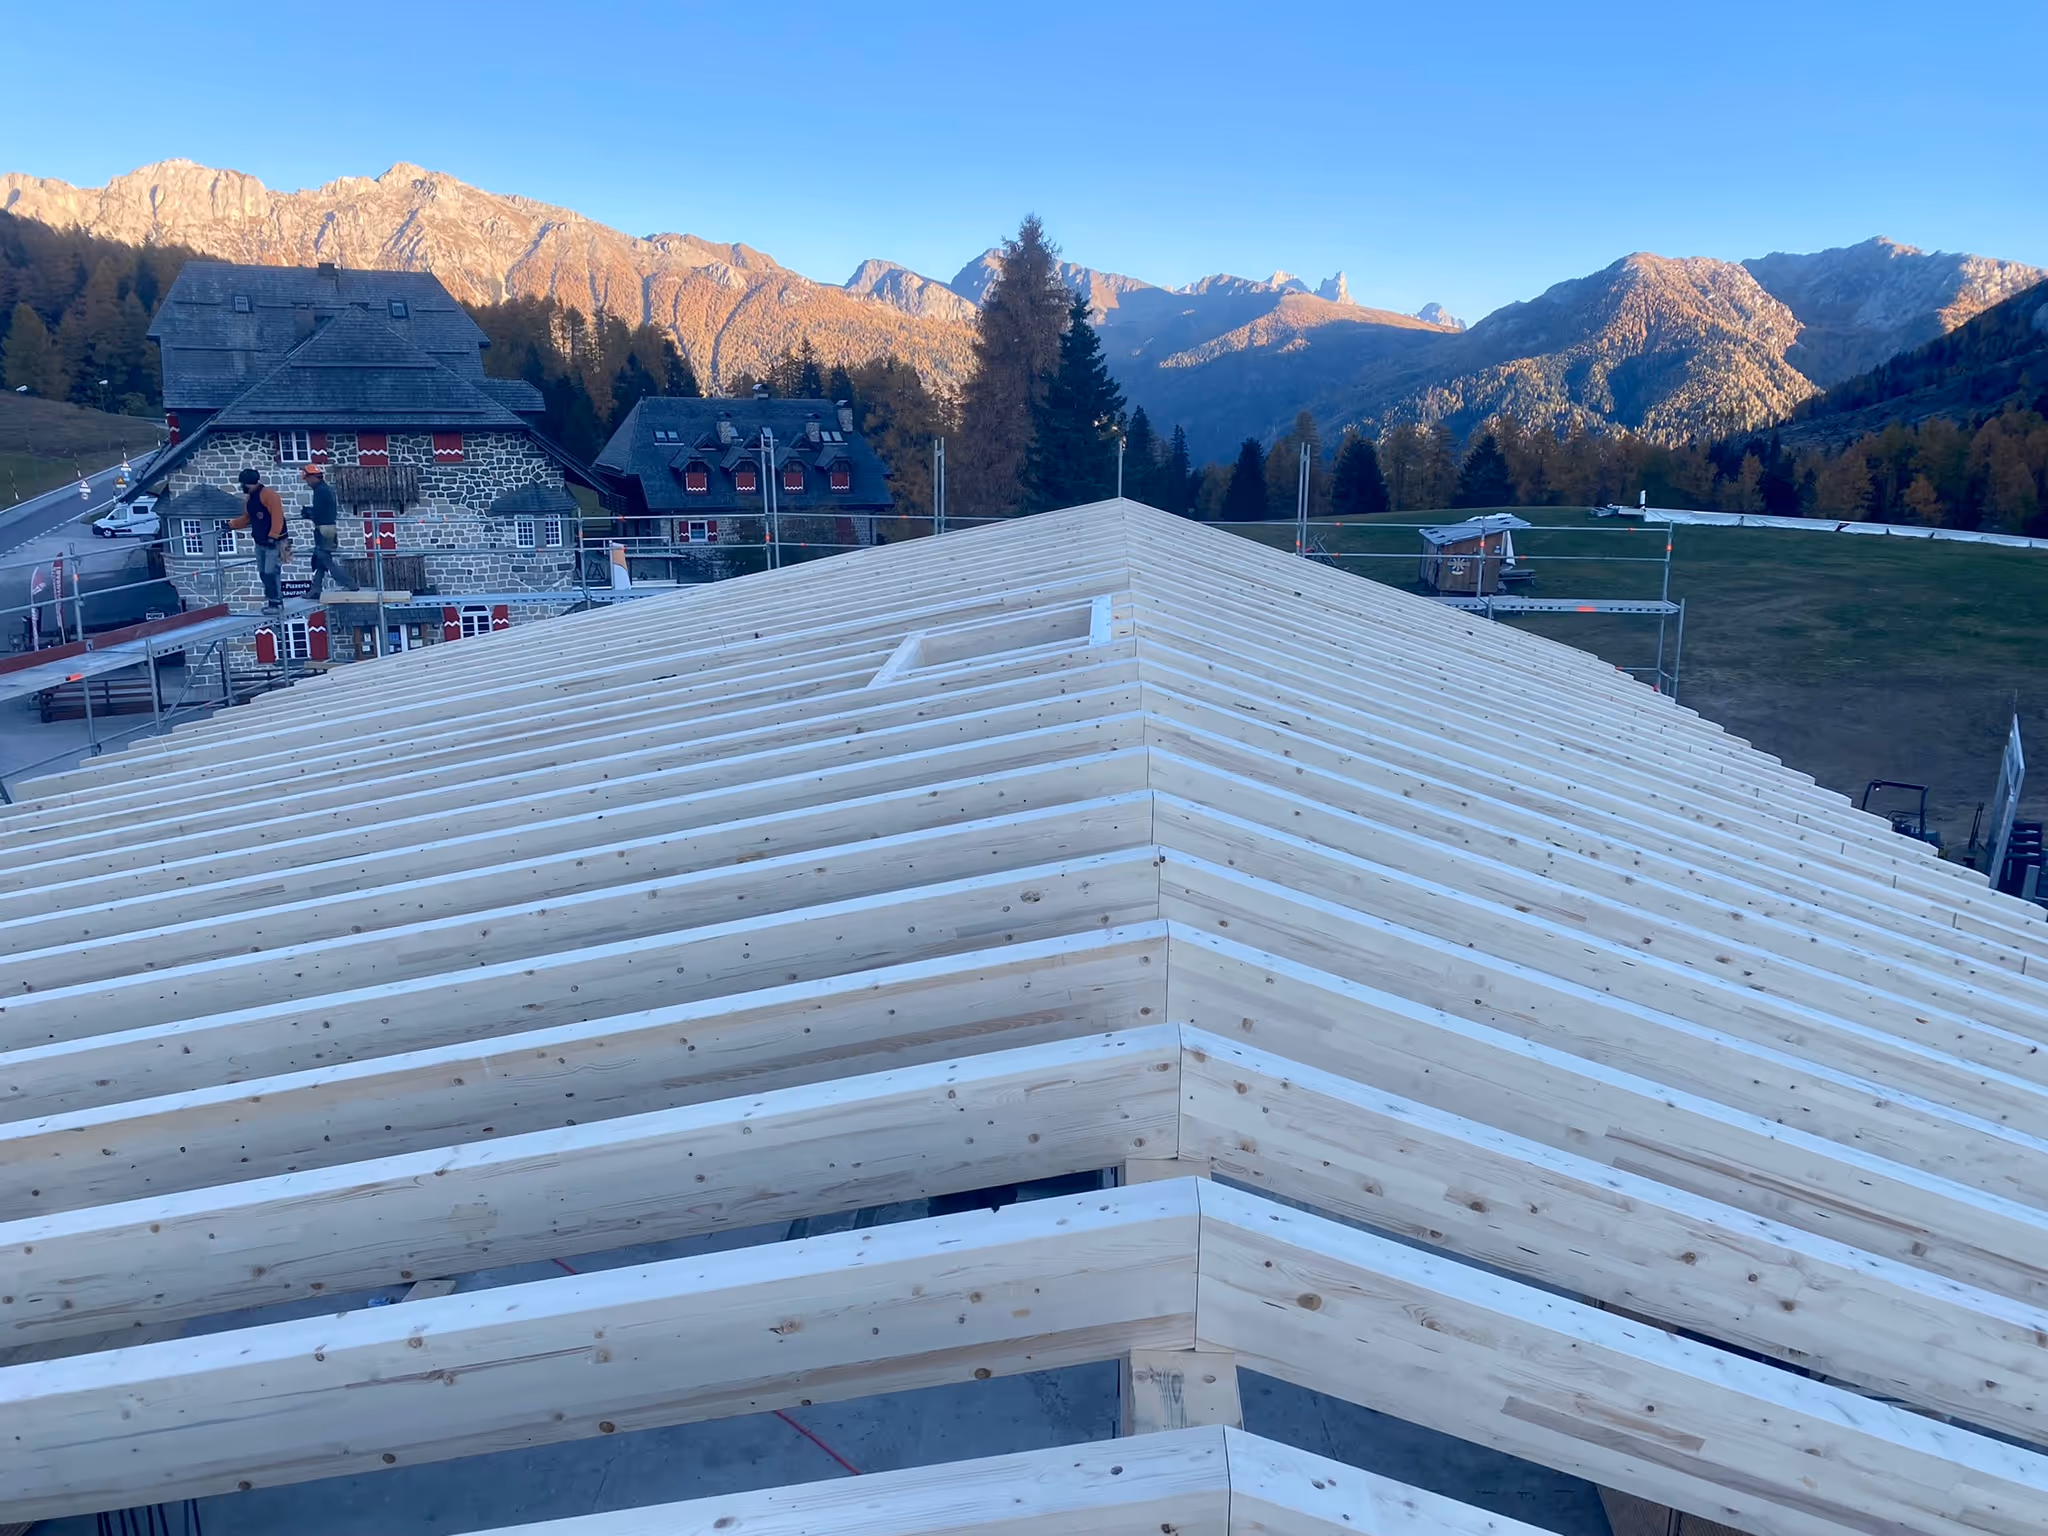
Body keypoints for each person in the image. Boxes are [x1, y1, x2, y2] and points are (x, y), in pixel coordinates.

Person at [230, 468, 289, 609]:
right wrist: (231, 525)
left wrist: (273, 536)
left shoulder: (269, 495)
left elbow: (277, 517)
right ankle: (272, 601)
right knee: (263, 573)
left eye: (242, 484)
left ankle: (276, 603)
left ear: (247, 483)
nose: (241, 487)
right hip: (260, 541)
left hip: (275, 541)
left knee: (271, 572)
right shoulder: (250, 498)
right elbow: (248, 518)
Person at [299, 462, 358, 600]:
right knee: (320, 561)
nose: (307, 482)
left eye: (307, 479)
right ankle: (316, 589)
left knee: (325, 561)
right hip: (328, 528)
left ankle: (350, 583)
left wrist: (308, 512)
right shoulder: (325, 489)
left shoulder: (320, 491)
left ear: (313, 477)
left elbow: (319, 512)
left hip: (323, 529)